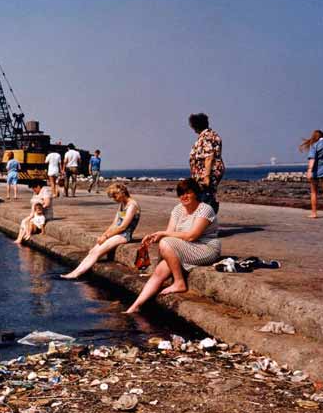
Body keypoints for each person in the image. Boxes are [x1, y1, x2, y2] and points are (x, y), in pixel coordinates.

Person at [125, 178, 221, 313]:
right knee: (159, 271)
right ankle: (134, 307)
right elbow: (170, 233)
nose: (184, 196)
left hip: (206, 248)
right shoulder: (177, 209)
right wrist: (154, 237)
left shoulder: (205, 209)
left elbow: (192, 236)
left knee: (165, 243)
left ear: (196, 193)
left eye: (188, 193)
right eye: (181, 194)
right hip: (184, 247)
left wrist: (162, 235)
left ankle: (179, 282)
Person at [61, 183, 140, 279]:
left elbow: (123, 227)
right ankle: (76, 271)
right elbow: (114, 224)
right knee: (92, 251)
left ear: (122, 193)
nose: (114, 199)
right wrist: (104, 235)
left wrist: (106, 237)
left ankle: (76, 274)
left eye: (115, 196)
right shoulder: (122, 204)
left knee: (97, 252)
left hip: (124, 235)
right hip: (117, 233)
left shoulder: (132, 205)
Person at [188, 113, 225, 213]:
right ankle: (207, 221)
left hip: (207, 172)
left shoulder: (207, 137)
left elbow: (209, 156)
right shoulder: (211, 135)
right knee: (207, 195)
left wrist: (206, 176)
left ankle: (207, 222)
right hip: (207, 171)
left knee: (205, 196)